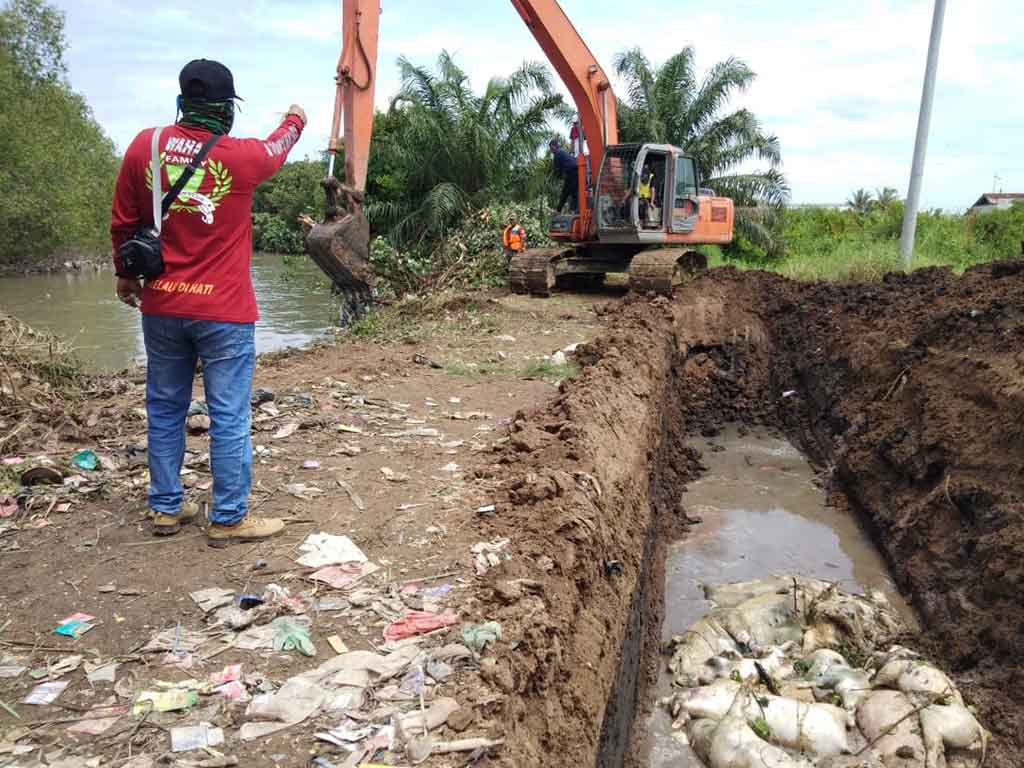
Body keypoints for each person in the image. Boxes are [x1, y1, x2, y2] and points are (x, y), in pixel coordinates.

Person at [110, 59, 306, 545]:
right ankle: (228, 517)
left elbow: (123, 221)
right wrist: (296, 118)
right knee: (229, 414)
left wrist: (123, 276)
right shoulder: (242, 158)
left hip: (161, 305)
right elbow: (278, 145)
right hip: (224, 311)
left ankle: (165, 509)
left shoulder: (145, 146)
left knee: (164, 406)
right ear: (226, 109)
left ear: (183, 103)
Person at [549, 138, 578, 214]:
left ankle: (559, 210)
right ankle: (575, 210)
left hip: (572, 172)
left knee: (565, 192)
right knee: (574, 192)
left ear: (553, 146)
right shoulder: (562, 152)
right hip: (578, 170)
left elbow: (557, 169)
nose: (551, 150)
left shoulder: (557, 153)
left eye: (551, 148)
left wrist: (559, 177)